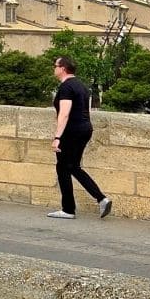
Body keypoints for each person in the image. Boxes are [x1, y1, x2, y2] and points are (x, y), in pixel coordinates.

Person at [48, 55, 110, 219]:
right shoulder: (81, 86)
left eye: (55, 66)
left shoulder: (67, 87)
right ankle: (101, 199)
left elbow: (64, 114)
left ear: (62, 68)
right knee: (73, 166)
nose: (54, 68)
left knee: (62, 167)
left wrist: (57, 137)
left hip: (72, 131)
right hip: (85, 129)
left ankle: (68, 209)